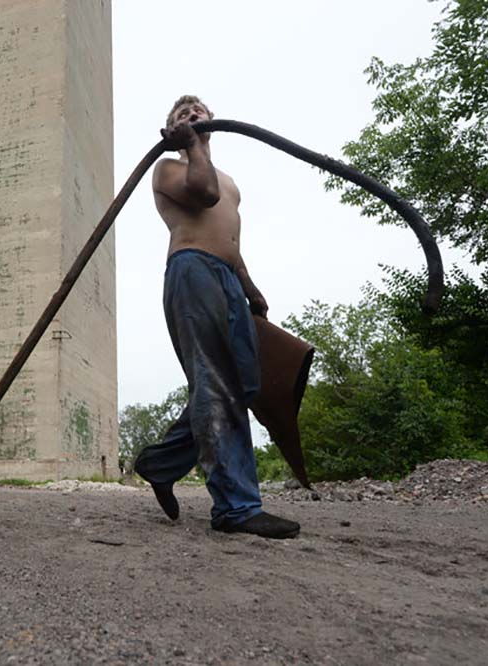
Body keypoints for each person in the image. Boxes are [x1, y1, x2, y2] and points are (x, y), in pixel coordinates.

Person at [133, 95, 300, 539]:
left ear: (212, 120)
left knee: (243, 383)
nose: (191, 116)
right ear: (171, 129)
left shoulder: (232, 182)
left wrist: (248, 286)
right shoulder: (169, 168)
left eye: (198, 112)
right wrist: (190, 147)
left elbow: (229, 236)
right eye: (181, 115)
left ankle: (160, 463)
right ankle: (236, 507)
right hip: (192, 271)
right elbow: (203, 197)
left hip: (227, 278)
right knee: (215, 381)